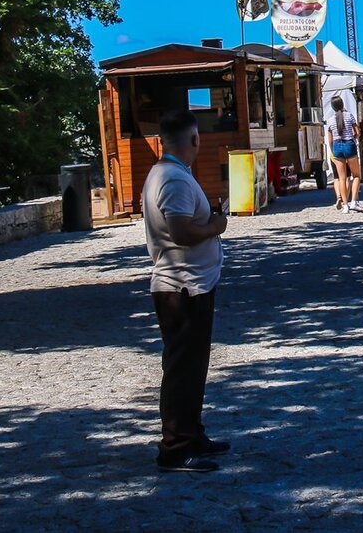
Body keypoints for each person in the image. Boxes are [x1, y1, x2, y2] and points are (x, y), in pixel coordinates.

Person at [142, 110, 230, 473]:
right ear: (194, 140)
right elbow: (180, 231)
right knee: (182, 368)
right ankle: (175, 447)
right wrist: (215, 225)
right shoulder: (173, 179)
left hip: (192, 283)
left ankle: (193, 434)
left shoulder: (168, 173)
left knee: (193, 367)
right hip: (182, 286)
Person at [327, 96, 363, 212]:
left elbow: (330, 140)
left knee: (342, 178)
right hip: (349, 144)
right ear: (342, 104)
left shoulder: (330, 120)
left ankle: (345, 205)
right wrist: (355, 139)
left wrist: (333, 151)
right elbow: (357, 132)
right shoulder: (349, 116)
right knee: (356, 175)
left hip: (337, 146)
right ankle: (354, 202)